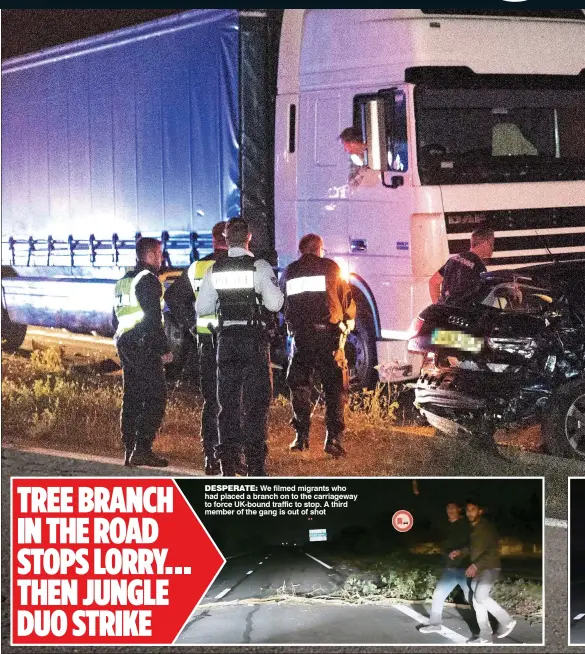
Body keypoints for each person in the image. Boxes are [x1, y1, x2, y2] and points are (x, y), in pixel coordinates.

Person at [195, 216, 284, 476]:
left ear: (225, 239)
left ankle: (228, 464)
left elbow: (203, 309)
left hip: (226, 341)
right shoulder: (259, 266)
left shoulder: (215, 270)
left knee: (227, 404)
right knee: (256, 404)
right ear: (249, 237)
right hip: (252, 339)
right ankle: (255, 466)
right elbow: (275, 304)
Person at [280, 234, 356, 458]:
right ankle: (333, 439)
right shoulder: (332, 268)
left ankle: (301, 437)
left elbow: (282, 303)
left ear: (301, 251)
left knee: (300, 386)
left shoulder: (289, 271)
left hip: (301, 339)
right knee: (334, 389)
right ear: (319, 249)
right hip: (329, 338)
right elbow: (346, 299)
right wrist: (349, 319)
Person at [165, 221, 228, 475]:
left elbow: (172, 297)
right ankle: (234, 455)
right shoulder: (245, 264)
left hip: (207, 342)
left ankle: (210, 456)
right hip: (236, 342)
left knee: (213, 401)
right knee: (237, 400)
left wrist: (192, 324)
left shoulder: (198, 267)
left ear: (214, 240)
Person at [112, 237, 173, 467]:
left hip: (125, 342)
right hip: (142, 343)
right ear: (148, 255)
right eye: (158, 254)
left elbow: (114, 317)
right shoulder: (148, 280)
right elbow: (153, 319)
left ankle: (129, 449)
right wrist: (164, 349)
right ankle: (143, 448)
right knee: (157, 396)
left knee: (132, 396)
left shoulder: (124, 281)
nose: (160, 258)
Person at [449, 499, 517, 644]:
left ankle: (507, 621)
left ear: (480, 511)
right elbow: (472, 547)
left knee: (480, 596)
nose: (469, 512)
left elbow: (494, 551)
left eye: (473, 509)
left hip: (489, 567)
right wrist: (459, 552)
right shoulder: (474, 528)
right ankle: (485, 636)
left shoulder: (485, 527)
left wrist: (475, 565)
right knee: (476, 600)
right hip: (479, 569)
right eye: (467, 509)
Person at [420, 501, 473, 634]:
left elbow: (472, 545)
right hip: (449, 569)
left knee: (473, 598)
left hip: (463, 568)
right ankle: (435, 624)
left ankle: (486, 626)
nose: (450, 510)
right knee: (438, 595)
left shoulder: (465, 526)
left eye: (453, 508)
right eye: (448, 508)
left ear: (459, 510)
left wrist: (460, 552)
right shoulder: (445, 526)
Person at [428, 226, 495, 305]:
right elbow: (483, 299)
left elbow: (433, 282)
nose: (493, 247)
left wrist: (438, 306)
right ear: (485, 243)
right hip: (460, 314)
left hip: (445, 312)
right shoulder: (478, 267)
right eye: (492, 243)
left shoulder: (453, 259)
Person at [338, 126, 379, 191]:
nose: (345, 150)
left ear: (353, 143)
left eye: (345, 145)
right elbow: (352, 183)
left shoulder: (377, 153)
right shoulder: (354, 159)